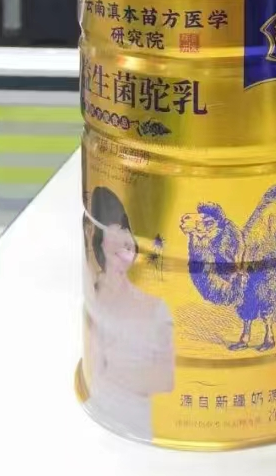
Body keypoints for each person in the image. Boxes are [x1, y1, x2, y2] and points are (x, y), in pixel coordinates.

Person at [84, 186, 174, 442]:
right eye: (112, 226)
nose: (122, 237)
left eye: (124, 226)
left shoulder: (155, 307)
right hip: (98, 424)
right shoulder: (93, 299)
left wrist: (114, 373)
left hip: (135, 429)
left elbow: (165, 378)